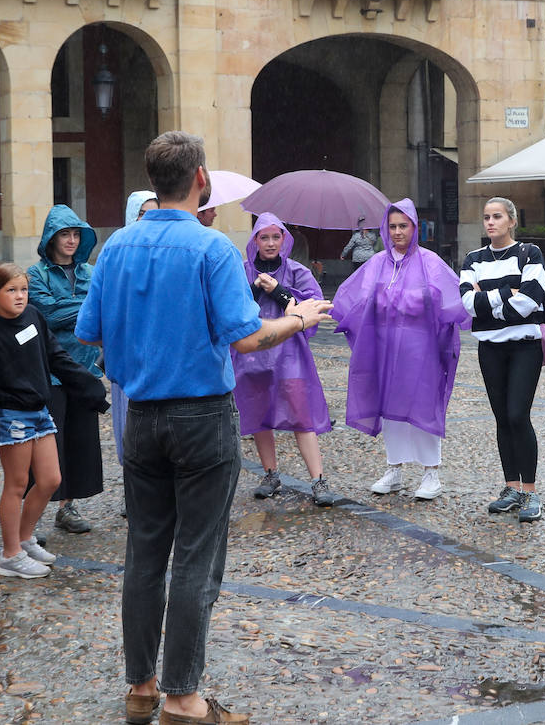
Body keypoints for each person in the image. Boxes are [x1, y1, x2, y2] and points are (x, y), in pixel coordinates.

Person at [75, 131, 331, 725]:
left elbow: (90, 331)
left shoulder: (115, 247)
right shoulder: (212, 248)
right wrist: (298, 317)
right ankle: (183, 698)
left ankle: (140, 684)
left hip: (139, 417)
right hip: (201, 416)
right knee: (195, 556)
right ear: (199, 179)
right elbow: (247, 336)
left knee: (144, 553)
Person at [0, 263, 107, 579]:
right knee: (16, 485)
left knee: (51, 479)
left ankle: (24, 539)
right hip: (11, 417)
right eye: (11, 290)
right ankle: (10, 555)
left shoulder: (34, 318)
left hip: (40, 412)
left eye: (23, 289)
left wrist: (89, 387)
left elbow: (57, 357)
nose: (20, 296)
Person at [331, 199, 469, 499]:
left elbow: (454, 298)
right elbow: (353, 298)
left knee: (423, 405)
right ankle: (394, 467)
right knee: (390, 408)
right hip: (384, 348)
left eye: (403, 226)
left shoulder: (430, 262)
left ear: (414, 227)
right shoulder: (377, 263)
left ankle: (431, 473)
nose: (397, 232)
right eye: (392, 226)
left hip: (420, 349)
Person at [458, 196, 545, 522]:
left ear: (512, 220)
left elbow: (531, 299)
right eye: (486, 217)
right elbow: (467, 302)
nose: (490, 222)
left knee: (517, 415)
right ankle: (511, 487)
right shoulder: (473, 259)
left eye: (497, 216)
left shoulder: (530, 253)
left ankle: (531, 492)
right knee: (500, 417)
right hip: (490, 348)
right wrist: (507, 294)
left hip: (525, 345)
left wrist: (489, 300)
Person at [234, 213, 336, 507]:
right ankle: (270, 473)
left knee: (300, 413)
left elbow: (314, 306)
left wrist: (278, 292)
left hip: (290, 355)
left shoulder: (297, 271)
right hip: (252, 354)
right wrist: (254, 288)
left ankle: (318, 478)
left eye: (275, 237)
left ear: (284, 239)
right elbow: (231, 308)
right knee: (258, 412)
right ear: (254, 240)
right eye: (264, 237)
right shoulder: (241, 271)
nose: (269, 243)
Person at [28, 205, 104, 535]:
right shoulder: (35, 275)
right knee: (49, 443)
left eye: (76, 234)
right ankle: (33, 515)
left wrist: (74, 310)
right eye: (64, 234)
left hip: (84, 368)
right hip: (51, 371)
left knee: (78, 442)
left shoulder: (90, 272)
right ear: (51, 238)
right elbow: (46, 314)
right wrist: (87, 308)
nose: (71, 240)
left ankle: (67, 507)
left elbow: (100, 308)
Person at [110, 191, 161, 464]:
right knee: (130, 417)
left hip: (158, 351)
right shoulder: (118, 252)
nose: (148, 220)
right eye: (142, 213)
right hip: (128, 350)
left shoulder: (166, 252)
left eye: (154, 213)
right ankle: (132, 482)